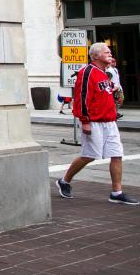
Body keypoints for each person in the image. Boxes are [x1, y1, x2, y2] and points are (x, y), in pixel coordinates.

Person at [56, 43, 138, 205]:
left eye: (110, 51)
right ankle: (64, 181)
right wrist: (85, 121)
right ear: (95, 56)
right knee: (89, 155)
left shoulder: (105, 73)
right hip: (93, 122)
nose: (110, 53)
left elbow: (102, 92)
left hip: (109, 121)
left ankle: (117, 192)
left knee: (116, 154)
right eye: (106, 52)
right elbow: (81, 98)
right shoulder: (87, 72)